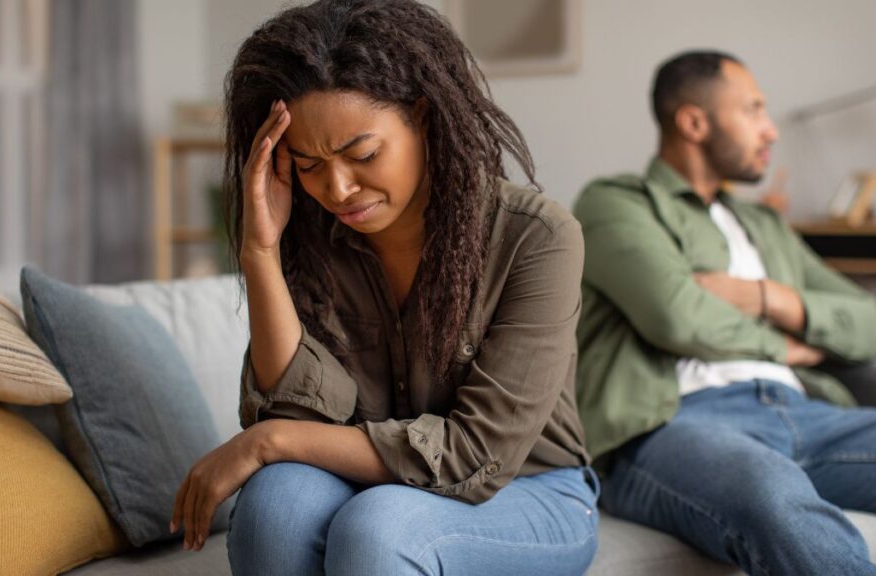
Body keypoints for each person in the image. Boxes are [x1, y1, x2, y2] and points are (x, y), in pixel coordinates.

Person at [169, 1, 598, 574]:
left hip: (529, 490)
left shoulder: (535, 237)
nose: (339, 188)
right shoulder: (308, 231)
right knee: (274, 508)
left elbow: (477, 457)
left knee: (378, 530)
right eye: (309, 165)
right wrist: (261, 251)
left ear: (422, 117)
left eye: (363, 154)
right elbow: (297, 413)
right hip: (369, 479)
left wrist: (264, 443)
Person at [573, 50, 876, 575]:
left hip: (807, 416)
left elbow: (870, 324)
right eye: (753, 110)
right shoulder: (617, 203)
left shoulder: (765, 226)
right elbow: (676, 317)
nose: (771, 130)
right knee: (773, 495)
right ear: (693, 122)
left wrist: (765, 297)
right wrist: (783, 343)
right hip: (675, 422)